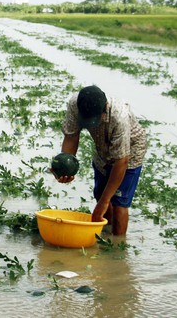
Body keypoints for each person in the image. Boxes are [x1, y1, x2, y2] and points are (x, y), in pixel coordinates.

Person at [54, 85, 147, 236]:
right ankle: (105, 234)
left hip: (131, 150)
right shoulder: (75, 105)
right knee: (100, 193)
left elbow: (121, 161)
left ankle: (117, 248)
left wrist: (104, 202)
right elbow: (71, 136)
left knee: (118, 202)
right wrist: (65, 168)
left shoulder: (119, 117)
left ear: (105, 110)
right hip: (102, 148)